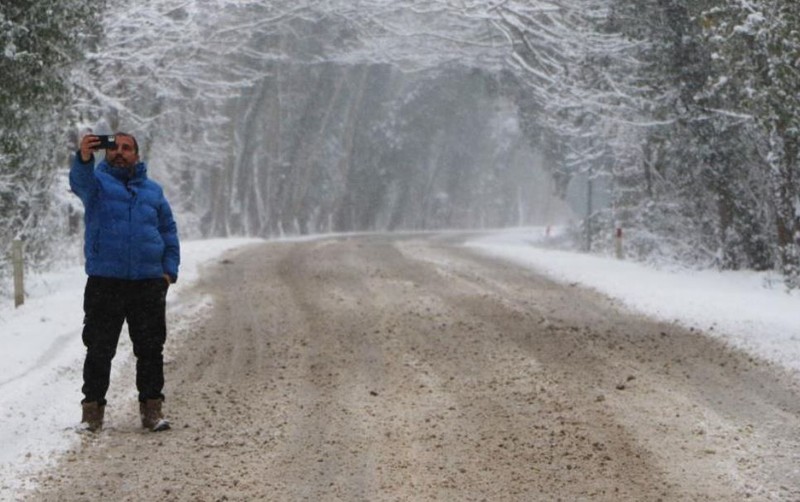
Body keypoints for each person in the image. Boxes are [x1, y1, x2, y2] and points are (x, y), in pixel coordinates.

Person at [70, 132, 180, 433]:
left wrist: (168, 271)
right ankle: (91, 415)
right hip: (105, 282)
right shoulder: (97, 186)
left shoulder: (153, 192)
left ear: (137, 155)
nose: (120, 152)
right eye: (115, 147)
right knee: (99, 348)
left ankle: (152, 412)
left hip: (147, 283)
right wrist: (83, 157)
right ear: (107, 152)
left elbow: (168, 231)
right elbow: (79, 181)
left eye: (127, 148)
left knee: (150, 349)